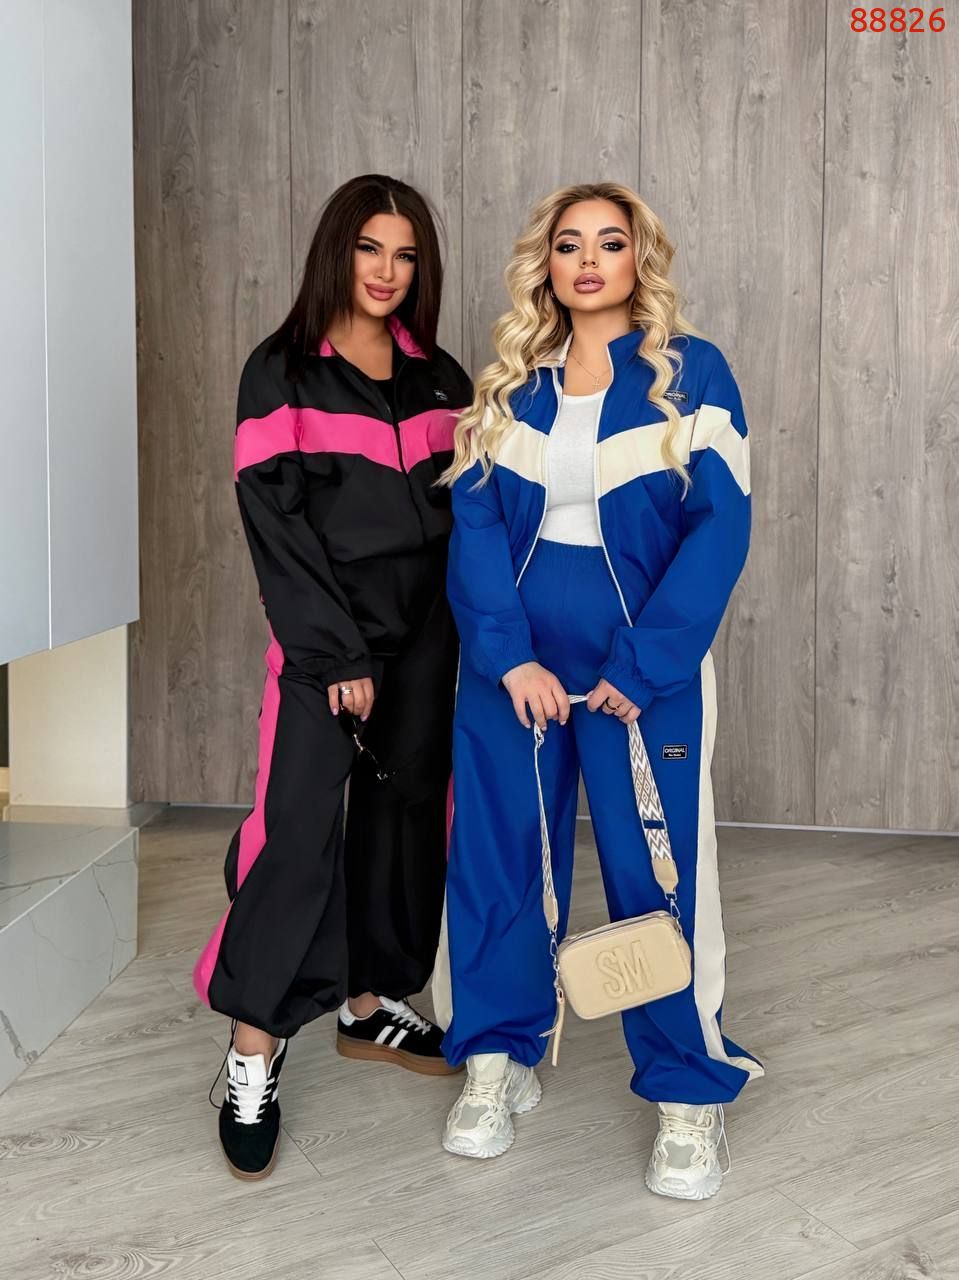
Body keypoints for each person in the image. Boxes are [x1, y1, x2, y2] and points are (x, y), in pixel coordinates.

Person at [435, 182, 765, 1200]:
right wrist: (507, 657)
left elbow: (720, 528)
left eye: (608, 243)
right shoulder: (510, 384)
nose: (587, 261)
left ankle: (686, 1092)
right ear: (545, 262)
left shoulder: (691, 374)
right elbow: (474, 528)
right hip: (512, 668)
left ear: (636, 259)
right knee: (498, 854)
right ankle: (497, 1057)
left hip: (639, 671)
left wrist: (640, 666)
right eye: (569, 243)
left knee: (652, 873)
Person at [193, 174, 472, 1181]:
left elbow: (464, 515)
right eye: (369, 249)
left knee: (404, 823)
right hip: (328, 647)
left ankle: (369, 1004)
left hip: (426, 639)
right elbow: (274, 524)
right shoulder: (281, 372)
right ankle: (252, 1050)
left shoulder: (439, 378)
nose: (386, 271)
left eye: (405, 255)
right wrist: (336, 655)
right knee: (298, 831)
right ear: (336, 253)